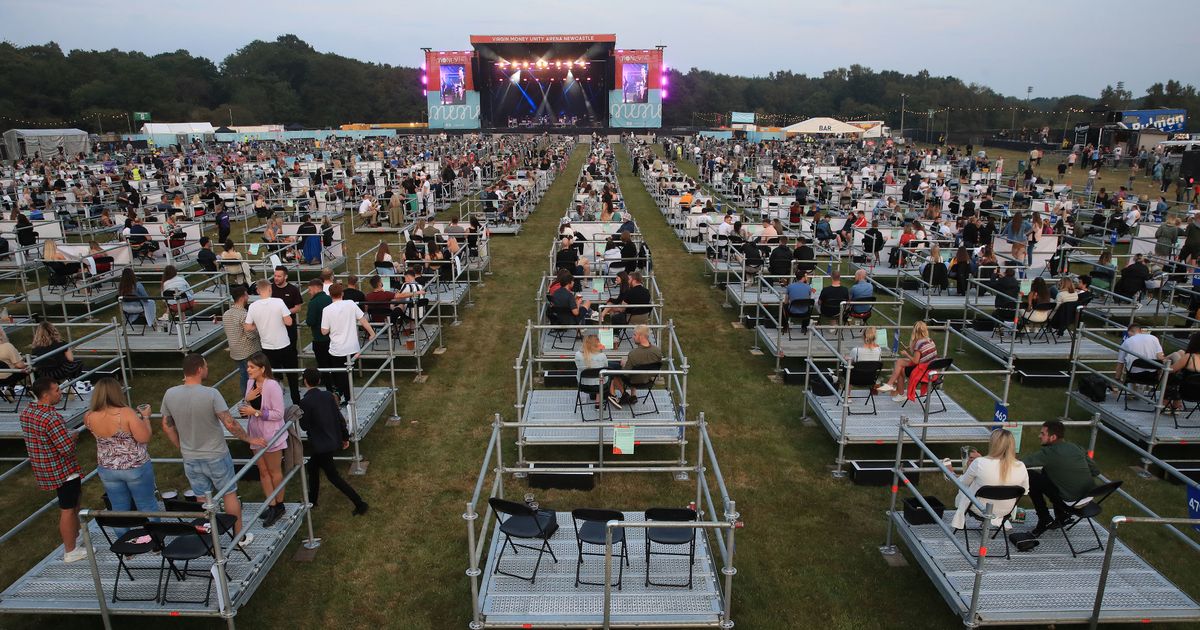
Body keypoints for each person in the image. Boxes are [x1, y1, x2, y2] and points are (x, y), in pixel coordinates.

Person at [161, 354, 264, 546]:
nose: (208, 369)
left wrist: (181, 447)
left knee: (202, 497)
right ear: (199, 369)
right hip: (216, 454)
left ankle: (209, 537)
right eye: (206, 366)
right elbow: (230, 423)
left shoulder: (170, 394)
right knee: (229, 493)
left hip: (190, 457)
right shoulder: (211, 394)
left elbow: (167, 426)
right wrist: (249, 438)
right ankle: (238, 537)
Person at [20, 378, 87, 562]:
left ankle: (76, 536)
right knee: (68, 509)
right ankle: (70, 550)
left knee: (73, 503)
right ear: (46, 394)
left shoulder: (27, 412)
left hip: (45, 467)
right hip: (63, 469)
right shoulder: (52, 418)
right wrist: (73, 437)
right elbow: (65, 448)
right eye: (57, 390)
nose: (61, 393)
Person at [83, 377, 160, 518]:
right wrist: (146, 418)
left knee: (118, 509)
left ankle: (123, 539)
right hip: (135, 466)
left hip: (107, 468)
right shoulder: (126, 413)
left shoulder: (88, 416)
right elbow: (144, 437)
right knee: (147, 505)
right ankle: (155, 538)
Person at [298, 368, 368, 515]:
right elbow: (339, 417)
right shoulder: (328, 396)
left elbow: (303, 426)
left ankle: (360, 503)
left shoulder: (304, 402)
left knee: (333, 477)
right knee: (312, 467)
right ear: (319, 381)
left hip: (320, 445)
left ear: (305, 381)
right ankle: (312, 500)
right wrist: (345, 437)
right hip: (331, 441)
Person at [1022, 420, 1100, 537]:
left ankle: (1044, 518)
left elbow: (1020, 464)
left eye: (1043, 434)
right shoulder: (1075, 447)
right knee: (1046, 473)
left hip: (1070, 502)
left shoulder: (1049, 453)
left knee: (1031, 476)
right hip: (1088, 497)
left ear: (1053, 437)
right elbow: (1095, 471)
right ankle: (1062, 516)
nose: (1039, 436)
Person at [237, 353, 289, 528]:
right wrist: (247, 400)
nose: (248, 370)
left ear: (262, 368)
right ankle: (271, 504)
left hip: (272, 435)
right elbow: (244, 409)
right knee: (263, 471)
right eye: (248, 366)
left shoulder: (273, 386)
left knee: (274, 471)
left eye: (252, 367)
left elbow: (278, 414)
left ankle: (279, 505)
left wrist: (256, 412)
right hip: (256, 434)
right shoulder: (251, 383)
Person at [951, 429, 1029, 531]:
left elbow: (963, 483)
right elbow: (1025, 490)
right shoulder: (1021, 466)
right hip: (1006, 510)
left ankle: (950, 474)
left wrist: (973, 464)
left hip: (981, 508)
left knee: (970, 485)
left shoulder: (979, 463)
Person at [244, 279, 299, 402]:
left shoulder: (253, 306)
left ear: (258, 291)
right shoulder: (278, 302)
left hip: (267, 347)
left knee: (270, 379)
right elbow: (288, 322)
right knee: (292, 376)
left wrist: (258, 326)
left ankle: (273, 403)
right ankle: (297, 403)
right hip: (284, 344)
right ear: (270, 289)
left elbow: (247, 327)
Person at [320, 283, 376, 404]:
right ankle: (348, 396)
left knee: (341, 375)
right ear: (342, 294)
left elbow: (324, 331)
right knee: (349, 373)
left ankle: (346, 397)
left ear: (330, 295)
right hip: (352, 347)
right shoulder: (350, 304)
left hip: (337, 348)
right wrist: (372, 333)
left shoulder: (327, 310)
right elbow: (363, 320)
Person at [607, 325, 663, 409]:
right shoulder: (657, 351)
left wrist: (624, 364)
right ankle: (633, 396)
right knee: (633, 366)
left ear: (641, 336)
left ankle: (619, 395)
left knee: (609, 368)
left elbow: (626, 373)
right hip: (648, 379)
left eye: (634, 335)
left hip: (633, 380)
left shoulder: (633, 354)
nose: (632, 337)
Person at [879, 321, 937, 401]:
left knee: (900, 368)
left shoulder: (919, 343)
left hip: (923, 371)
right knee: (899, 364)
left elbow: (916, 361)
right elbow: (922, 356)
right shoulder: (930, 341)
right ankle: (891, 385)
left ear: (915, 331)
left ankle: (896, 390)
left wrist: (906, 354)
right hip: (931, 369)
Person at [223, 285, 260, 394]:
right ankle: (251, 399)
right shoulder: (244, 315)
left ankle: (246, 399)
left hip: (235, 351)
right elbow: (251, 334)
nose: (248, 297)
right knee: (251, 378)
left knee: (243, 375)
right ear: (243, 297)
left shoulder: (226, 314)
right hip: (248, 351)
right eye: (247, 295)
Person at [306, 278, 333, 389]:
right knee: (333, 364)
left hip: (319, 339)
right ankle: (336, 387)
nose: (308, 292)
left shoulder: (313, 303)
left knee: (323, 366)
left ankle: (329, 388)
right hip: (332, 338)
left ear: (315, 288)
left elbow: (310, 321)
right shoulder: (329, 299)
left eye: (309, 290)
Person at [574, 333, 609, 409]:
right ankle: (599, 402)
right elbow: (606, 369)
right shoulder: (602, 356)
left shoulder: (577, 355)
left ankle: (590, 398)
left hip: (583, 385)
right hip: (599, 386)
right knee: (606, 376)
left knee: (593, 376)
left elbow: (578, 367)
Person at [783, 269, 815, 333]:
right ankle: (804, 327)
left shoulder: (790, 286)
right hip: (804, 312)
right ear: (803, 277)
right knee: (809, 306)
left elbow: (786, 301)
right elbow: (808, 299)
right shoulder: (808, 287)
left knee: (784, 306)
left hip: (792, 312)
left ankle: (785, 327)